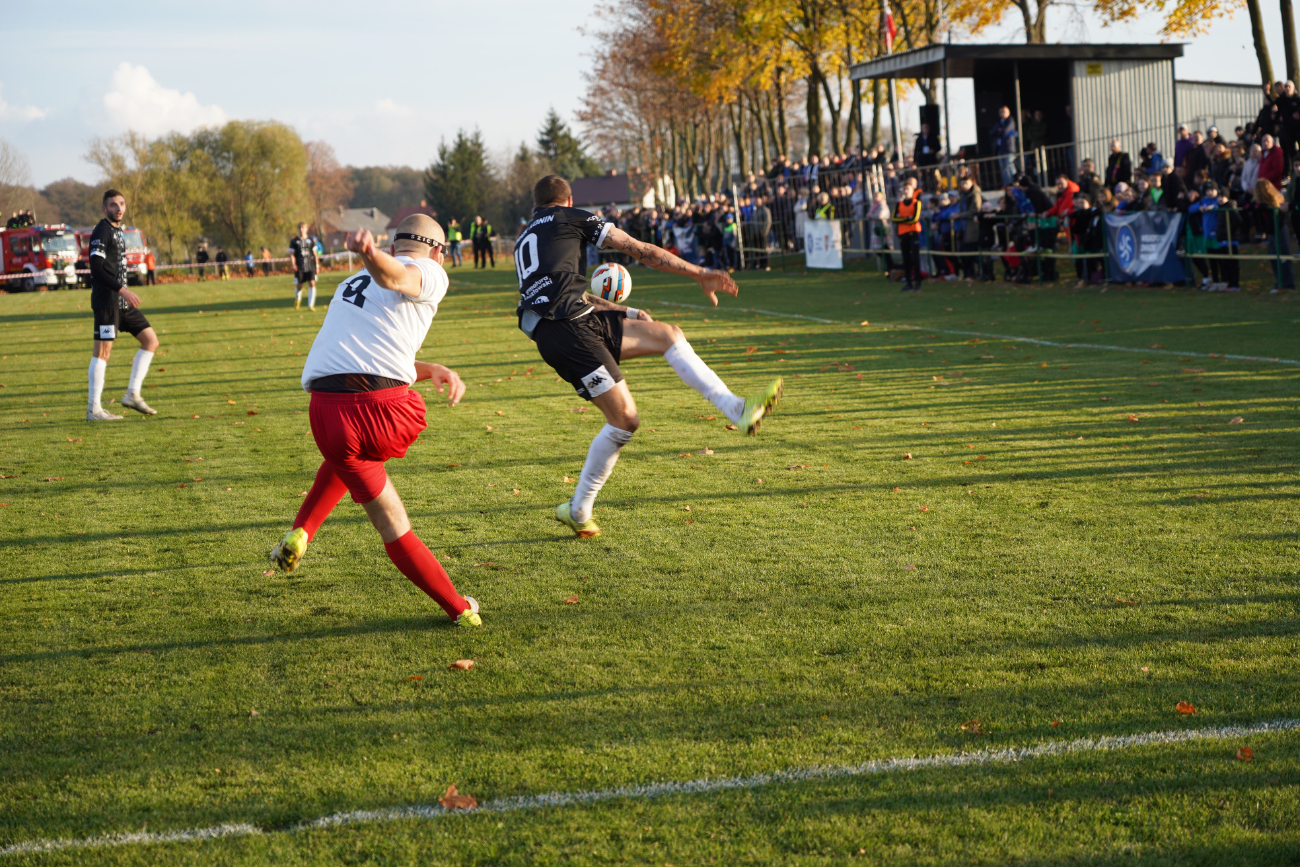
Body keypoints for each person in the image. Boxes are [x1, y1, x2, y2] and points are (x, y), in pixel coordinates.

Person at [514, 175, 782, 538]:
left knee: (669, 335)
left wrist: (626, 311)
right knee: (624, 420)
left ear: (535, 206)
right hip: (567, 331)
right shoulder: (572, 217)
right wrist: (700, 272)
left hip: (569, 323)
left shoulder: (523, 240)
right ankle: (578, 509)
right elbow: (640, 250)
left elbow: (563, 295)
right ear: (569, 200)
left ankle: (737, 409)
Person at [267, 215, 481, 627]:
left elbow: (371, 357)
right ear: (437, 251)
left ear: (395, 241)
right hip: (380, 413)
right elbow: (398, 278)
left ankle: (301, 531)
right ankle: (460, 609)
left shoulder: (349, 284)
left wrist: (431, 365)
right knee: (395, 525)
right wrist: (368, 253)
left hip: (325, 415)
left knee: (350, 458)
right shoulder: (430, 271)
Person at [86, 189, 159, 421]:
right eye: (113, 205)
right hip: (108, 302)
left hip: (122, 303)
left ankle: (132, 394)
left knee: (150, 341)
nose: (118, 208)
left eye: (121, 204)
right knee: (102, 353)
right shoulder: (102, 231)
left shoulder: (119, 231)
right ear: (104, 208)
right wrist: (122, 290)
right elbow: (96, 268)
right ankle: (94, 409)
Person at [892, 176, 923, 291]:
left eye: (908, 189)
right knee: (906, 259)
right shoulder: (898, 204)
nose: (906, 191)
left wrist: (902, 218)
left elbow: (914, 219)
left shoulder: (916, 203)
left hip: (913, 232)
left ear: (912, 191)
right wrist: (906, 219)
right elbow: (894, 219)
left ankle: (918, 282)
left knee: (915, 257)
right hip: (902, 233)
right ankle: (908, 282)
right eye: (904, 189)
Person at [1068, 193, 1105, 285]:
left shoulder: (1091, 212)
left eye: (1082, 202)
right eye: (1079, 203)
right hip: (1079, 240)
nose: (1080, 205)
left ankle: (1093, 278)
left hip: (1091, 241)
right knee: (1079, 259)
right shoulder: (1078, 213)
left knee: (1093, 259)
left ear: (1089, 203)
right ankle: (1081, 278)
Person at [289, 222, 319, 309]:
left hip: (310, 266)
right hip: (300, 266)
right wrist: (293, 264)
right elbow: (292, 254)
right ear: (298, 229)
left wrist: (317, 266)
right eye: (300, 228)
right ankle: (298, 300)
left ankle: (311, 305)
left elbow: (315, 254)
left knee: (312, 283)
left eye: (303, 228)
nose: (301, 230)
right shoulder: (294, 241)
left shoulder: (310, 241)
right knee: (299, 285)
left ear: (306, 229)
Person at [989, 106, 1018, 186]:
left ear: (1008, 112)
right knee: (1003, 168)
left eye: (1004, 111)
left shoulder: (1010, 121)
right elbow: (992, 132)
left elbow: (1004, 131)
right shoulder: (999, 122)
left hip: (1008, 148)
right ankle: (1007, 185)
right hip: (1000, 149)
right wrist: (999, 130)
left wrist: (999, 131)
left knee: (1009, 166)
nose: (1002, 113)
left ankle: (1015, 183)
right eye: (1000, 111)